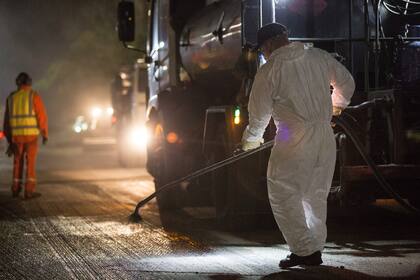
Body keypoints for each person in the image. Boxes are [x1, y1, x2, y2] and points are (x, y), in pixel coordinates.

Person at [241, 23, 355, 268]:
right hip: (325, 136)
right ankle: (313, 247)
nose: (263, 54)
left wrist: (250, 141)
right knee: (315, 193)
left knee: (283, 191)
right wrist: (336, 106)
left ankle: (304, 250)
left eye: (262, 50)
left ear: (268, 45)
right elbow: (347, 82)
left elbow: (259, 115)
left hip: (292, 138)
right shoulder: (318, 56)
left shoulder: (270, 69)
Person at [3, 72, 48, 199]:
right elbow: (42, 116)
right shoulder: (34, 96)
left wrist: (9, 140)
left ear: (17, 83)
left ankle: (15, 189)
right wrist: (44, 133)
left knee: (17, 162)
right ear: (29, 82)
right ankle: (29, 191)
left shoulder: (11, 98)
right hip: (31, 137)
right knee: (30, 163)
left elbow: (6, 121)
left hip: (16, 138)